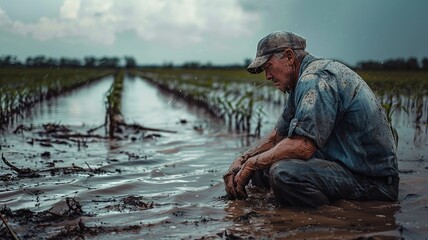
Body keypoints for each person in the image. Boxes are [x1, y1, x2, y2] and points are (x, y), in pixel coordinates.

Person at [223, 31, 399, 207]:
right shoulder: (299, 83)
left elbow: (303, 146)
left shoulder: (314, 79)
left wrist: (252, 164)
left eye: (268, 67)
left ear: (289, 56)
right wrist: (244, 159)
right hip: (344, 165)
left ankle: (334, 219)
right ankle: (275, 205)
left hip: (373, 181)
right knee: (262, 167)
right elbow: (277, 136)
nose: (267, 76)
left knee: (283, 173)